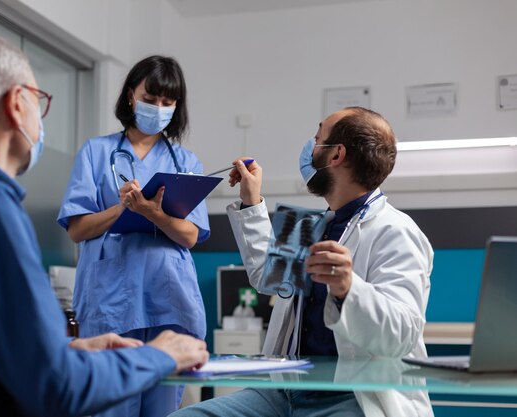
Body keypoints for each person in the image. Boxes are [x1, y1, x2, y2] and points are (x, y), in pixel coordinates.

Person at [0, 36, 208, 417]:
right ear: (15, 104)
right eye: (39, 100)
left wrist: (69, 350)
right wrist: (158, 358)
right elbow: (54, 384)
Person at [172, 107, 434, 417]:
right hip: (283, 393)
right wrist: (251, 200)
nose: (310, 145)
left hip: (353, 397)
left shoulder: (397, 231)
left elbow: (401, 336)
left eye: (317, 136)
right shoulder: (309, 224)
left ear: (336, 155)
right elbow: (266, 276)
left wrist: (349, 289)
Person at [57, 55, 209, 417]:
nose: (158, 108)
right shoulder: (96, 152)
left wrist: (154, 213)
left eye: (167, 103)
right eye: (150, 98)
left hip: (168, 304)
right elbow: (78, 229)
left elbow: (190, 236)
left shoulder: (185, 162)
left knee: (162, 411)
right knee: (110, 406)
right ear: (130, 96)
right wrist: (123, 209)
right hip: (111, 303)